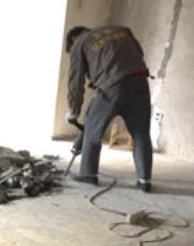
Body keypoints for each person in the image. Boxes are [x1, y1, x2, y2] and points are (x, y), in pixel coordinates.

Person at [65, 25, 153, 192]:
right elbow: (139, 53)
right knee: (141, 133)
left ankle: (88, 174)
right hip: (140, 82)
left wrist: (73, 111)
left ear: (74, 39)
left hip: (111, 87)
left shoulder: (80, 43)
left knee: (92, 131)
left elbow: (75, 82)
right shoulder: (121, 29)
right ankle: (144, 180)